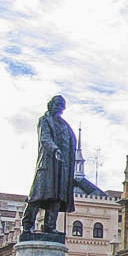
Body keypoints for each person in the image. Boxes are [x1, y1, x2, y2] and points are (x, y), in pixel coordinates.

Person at [21, 95, 77, 235]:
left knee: (57, 197)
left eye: (61, 105)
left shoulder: (64, 124)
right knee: (37, 195)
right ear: (50, 104)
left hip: (62, 166)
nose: (59, 107)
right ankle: (27, 226)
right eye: (56, 104)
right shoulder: (44, 120)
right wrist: (55, 149)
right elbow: (45, 138)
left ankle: (50, 227)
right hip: (48, 163)